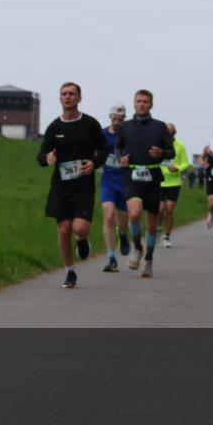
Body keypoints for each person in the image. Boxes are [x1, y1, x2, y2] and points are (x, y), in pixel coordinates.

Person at [37, 82, 108, 288]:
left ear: (79, 98)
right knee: (63, 229)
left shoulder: (90, 124)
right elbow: (41, 155)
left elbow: (104, 149)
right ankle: (70, 271)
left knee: (79, 227)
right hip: (61, 187)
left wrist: (95, 163)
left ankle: (83, 239)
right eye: (64, 94)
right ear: (60, 99)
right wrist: (47, 157)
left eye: (71, 94)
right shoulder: (54, 127)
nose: (67, 97)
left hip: (83, 186)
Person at [116, 89, 175, 278]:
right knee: (133, 213)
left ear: (151, 105)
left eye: (145, 102)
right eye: (138, 101)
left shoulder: (159, 127)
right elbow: (118, 146)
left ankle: (148, 258)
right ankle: (138, 248)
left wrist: (161, 154)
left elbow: (171, 152)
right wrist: (121, 158)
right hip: (132, 175)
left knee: (151, 223)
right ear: (134, 103)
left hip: (152, 176)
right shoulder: (125, 126)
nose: (141, 104)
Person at [99, 103, 132, 272]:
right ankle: (111, 257)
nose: (117, 121)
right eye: (115, 118)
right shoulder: (102, 135)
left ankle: (123, 234)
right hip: (108, 180)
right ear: (110, 117)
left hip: (125, 181)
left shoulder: (128, 135)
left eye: (120, 119)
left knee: (123, 220)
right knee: (109, 216)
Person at [158, 123, 189, 248]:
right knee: (160, 210)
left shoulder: (180, 146)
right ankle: (158, 229)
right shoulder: (158, 145)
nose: (168, 136)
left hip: (174, 182)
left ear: (174, 134)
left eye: (170, 134)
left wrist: (177, 168)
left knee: (169, 209)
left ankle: (167, 236)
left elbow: (186, 163)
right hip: (159, 181)